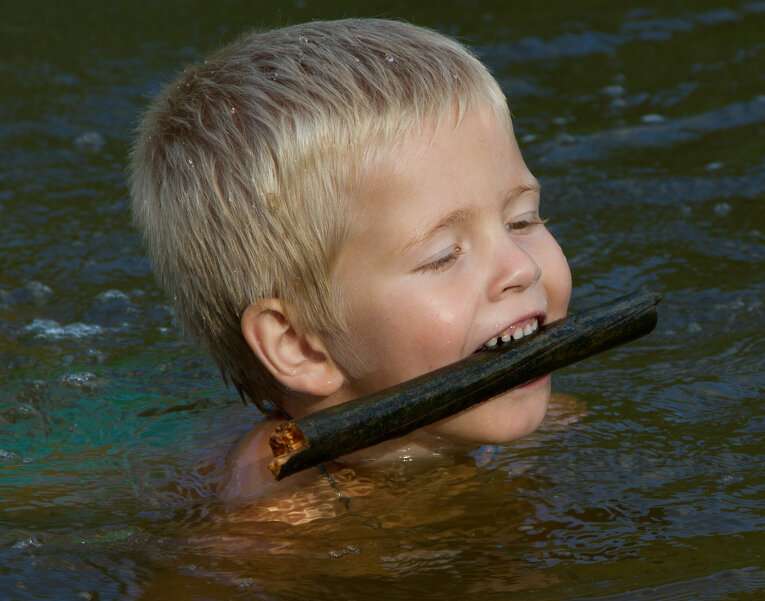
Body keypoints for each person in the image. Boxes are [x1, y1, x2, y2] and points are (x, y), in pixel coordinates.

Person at [129, 18, 572, 507]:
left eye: (522, 221)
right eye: (444, 256)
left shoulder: (545, 415)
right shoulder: (283, 526)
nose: (522, 268)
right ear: (301, 346)